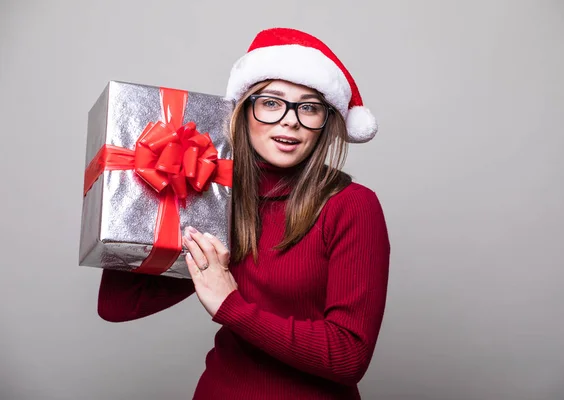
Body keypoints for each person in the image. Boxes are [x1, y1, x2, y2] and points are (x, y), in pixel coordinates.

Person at [98, 27, 391, 399]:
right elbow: (117, 306)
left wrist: (231, 306)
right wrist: (149, 197)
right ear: (243, 110)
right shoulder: (216, 200)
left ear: (325, 124)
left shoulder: (352, 206)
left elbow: (349, 356)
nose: (290, 120)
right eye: (271, 102)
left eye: (309, 107)